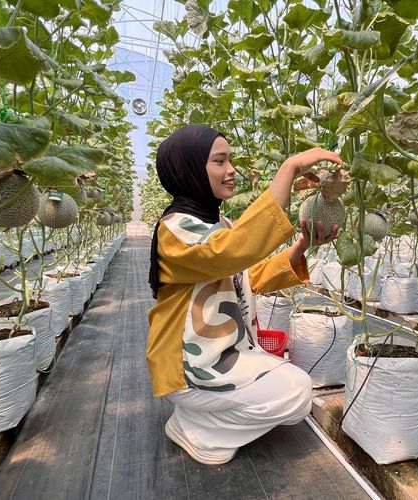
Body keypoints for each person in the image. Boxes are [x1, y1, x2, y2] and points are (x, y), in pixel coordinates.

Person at [147, 124, 343, 465]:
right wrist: (290, 168)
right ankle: (197, 429)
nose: (231, 169)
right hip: (191, 365)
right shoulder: (174, 229)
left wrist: (302, 245)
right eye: (220, 161)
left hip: (227, 354)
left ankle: (197, 421)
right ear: (190, 169)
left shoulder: (217, 224)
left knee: (295, 395)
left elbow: (245, 278)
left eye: (230, 160)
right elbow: (231, 253)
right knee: (296, 391)